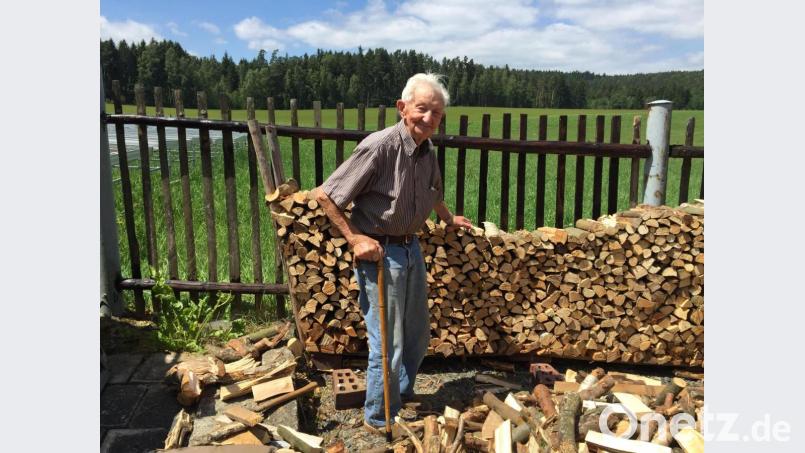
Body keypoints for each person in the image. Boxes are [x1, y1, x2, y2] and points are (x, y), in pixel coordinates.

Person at [313, 73, 473, 437]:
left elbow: (432, 192)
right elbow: (326, 195)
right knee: (387, 341)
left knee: (416, 334)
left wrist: (448, 218)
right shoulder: (380, 147)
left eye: (436, 113)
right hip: (381, 253)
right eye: (422, 109)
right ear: (403, 108)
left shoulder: (427, 150)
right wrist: (355, 239)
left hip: (411, 248)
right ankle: (378, 416)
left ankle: (398, 395)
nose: (429, 119)